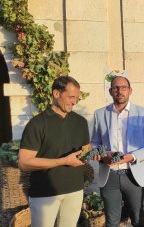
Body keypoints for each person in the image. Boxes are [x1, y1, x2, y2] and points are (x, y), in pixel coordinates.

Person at [18, 76, 89, 227]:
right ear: (56, 94)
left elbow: (85, 150)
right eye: (70, 97)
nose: (74, 102)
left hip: (75, 190)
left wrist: (94, 154)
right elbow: (24, 162)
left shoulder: (81, 122)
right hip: (44, 192)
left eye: (76, 97)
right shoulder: (37, 124)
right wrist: (63, 161)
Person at [91, 76, 144, 227]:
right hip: (109, 175)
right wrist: (103, 154)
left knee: (138, 220)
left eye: (123, 87)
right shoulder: (100, 114)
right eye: (115, 88)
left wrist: (132, 157)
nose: (119, 91)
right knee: (111, 222)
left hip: (134, 174)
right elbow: (95, 142)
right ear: (110, 91)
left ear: (130, 91)